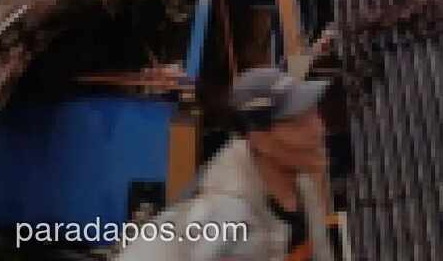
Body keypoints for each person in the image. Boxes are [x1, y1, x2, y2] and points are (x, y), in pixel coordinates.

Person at [117, 67, 330, 260]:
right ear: (261, 140)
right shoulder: (229, 215)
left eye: (315, 116)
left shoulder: (301, 187)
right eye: (300, 124)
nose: (318, 130)